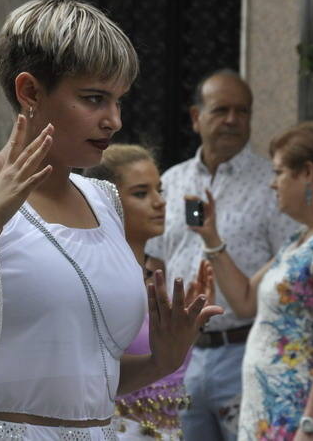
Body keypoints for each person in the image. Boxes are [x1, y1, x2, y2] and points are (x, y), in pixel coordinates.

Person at [0, 0, 222, 440]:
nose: (113, 120)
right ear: (30, 92)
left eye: (118, 100)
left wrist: (161, 361)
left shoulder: (105, 201)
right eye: (94, 98)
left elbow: (83, 383)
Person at [189, 121, 313, 440]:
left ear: (307, 173)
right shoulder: (302, 239)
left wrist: (310, 427)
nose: (273, 184)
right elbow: (245, 300)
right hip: (272, 413)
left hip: (297, 417)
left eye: (279, 173)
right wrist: (211, 238)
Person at [145, 69, 297, 440]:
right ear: (197, 117)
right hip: (182, 355)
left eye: (242, 111)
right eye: (221, 110)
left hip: (245, 352)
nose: (233, 119)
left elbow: (289, 271)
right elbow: (155, 263)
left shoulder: (272, 185)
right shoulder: (170, 181)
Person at [85, 145, 214, 440]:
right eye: (141, 193)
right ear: (106, 201)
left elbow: (167, 363)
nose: (160, 202)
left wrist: (190, 326)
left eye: (159, 189)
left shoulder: (151, 279)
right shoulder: (96, 279)